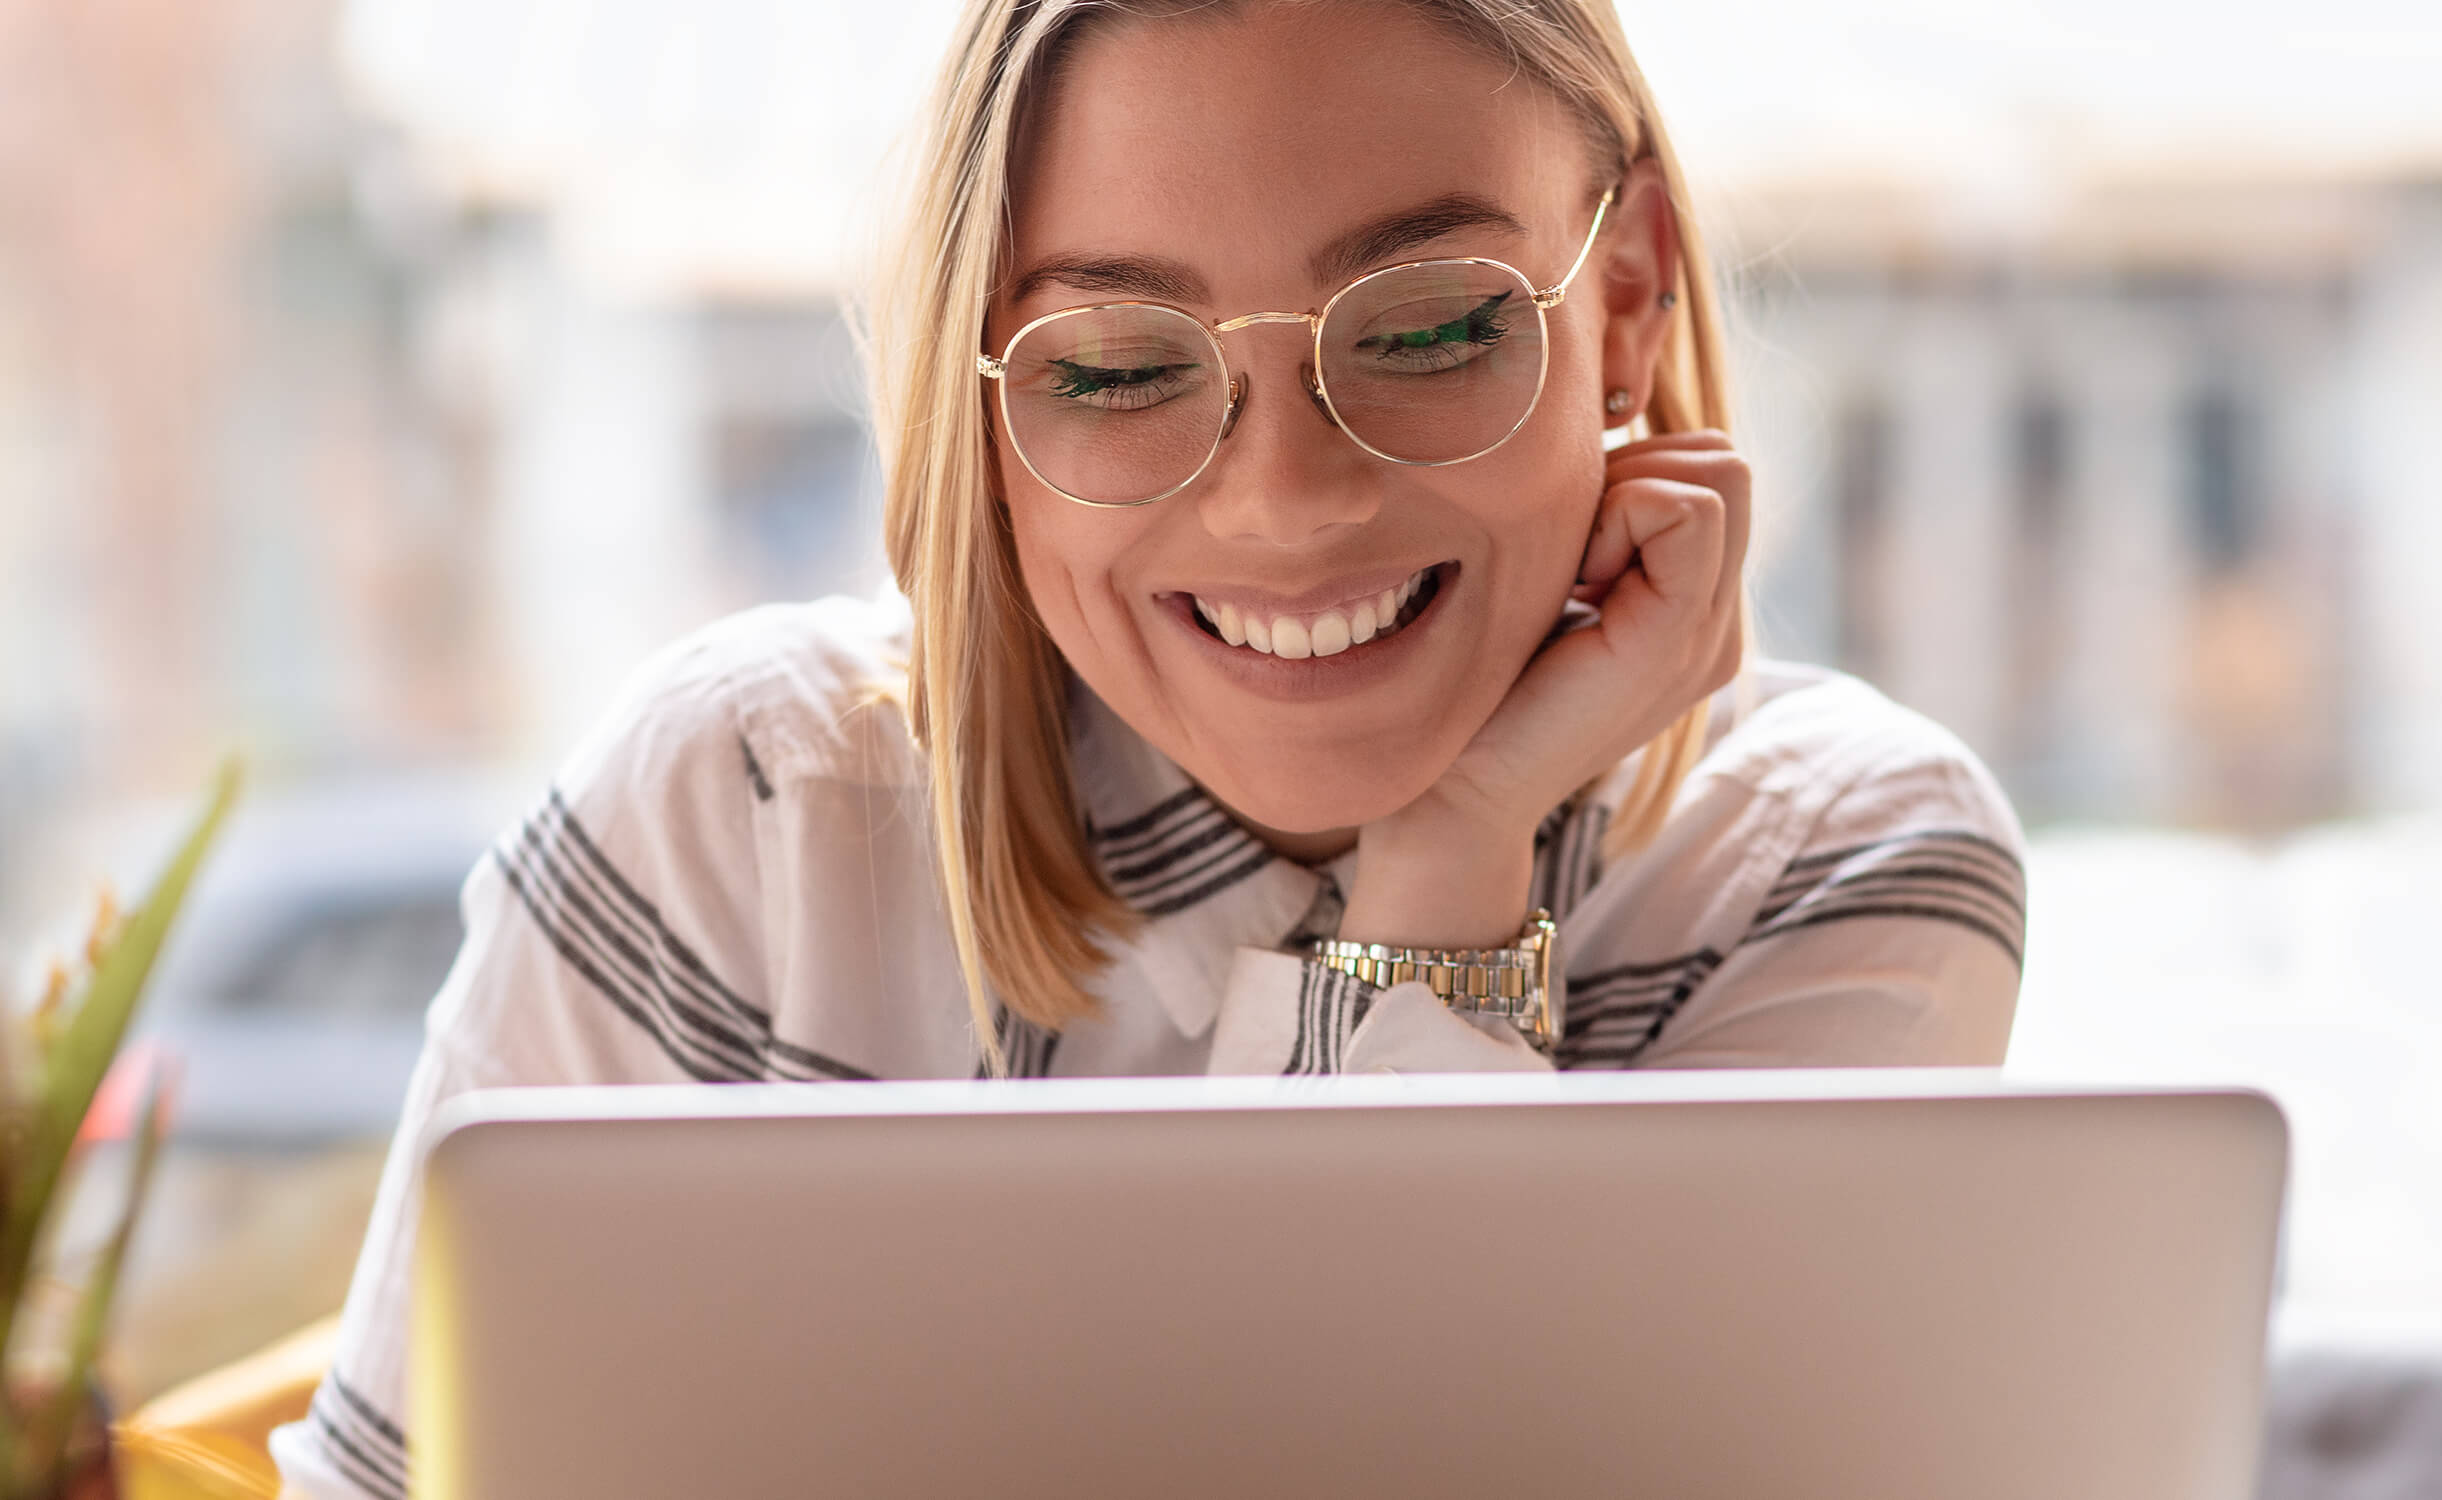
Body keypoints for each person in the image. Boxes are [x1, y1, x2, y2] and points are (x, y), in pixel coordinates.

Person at [270, 1, 2026, 1494]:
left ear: (1626, 299)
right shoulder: (747, 816)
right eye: (1113, 369)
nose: (1284, 503)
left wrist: (1449, 874)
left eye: (1427, 328)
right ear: (988, 410)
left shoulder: (1835, 864)